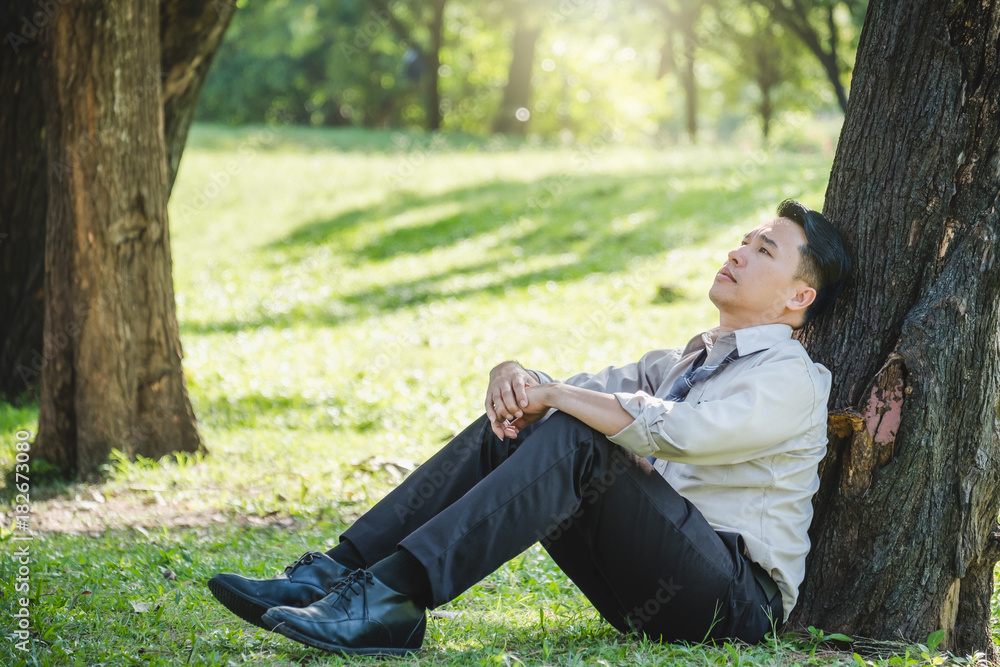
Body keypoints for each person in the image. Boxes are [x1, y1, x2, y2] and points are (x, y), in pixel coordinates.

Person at [207, 199, 851, 656]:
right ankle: (339, 575)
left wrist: (557, 397)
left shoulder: (790, 378)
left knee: (574, 434)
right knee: (520, 427)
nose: (738, 252)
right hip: (647, 587)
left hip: (732, 604)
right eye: (744, 239)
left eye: (763, 250)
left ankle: (394, 600)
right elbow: (579, 396)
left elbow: (678, 434)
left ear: (799, 298)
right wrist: (517, 376)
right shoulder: (688, 359)